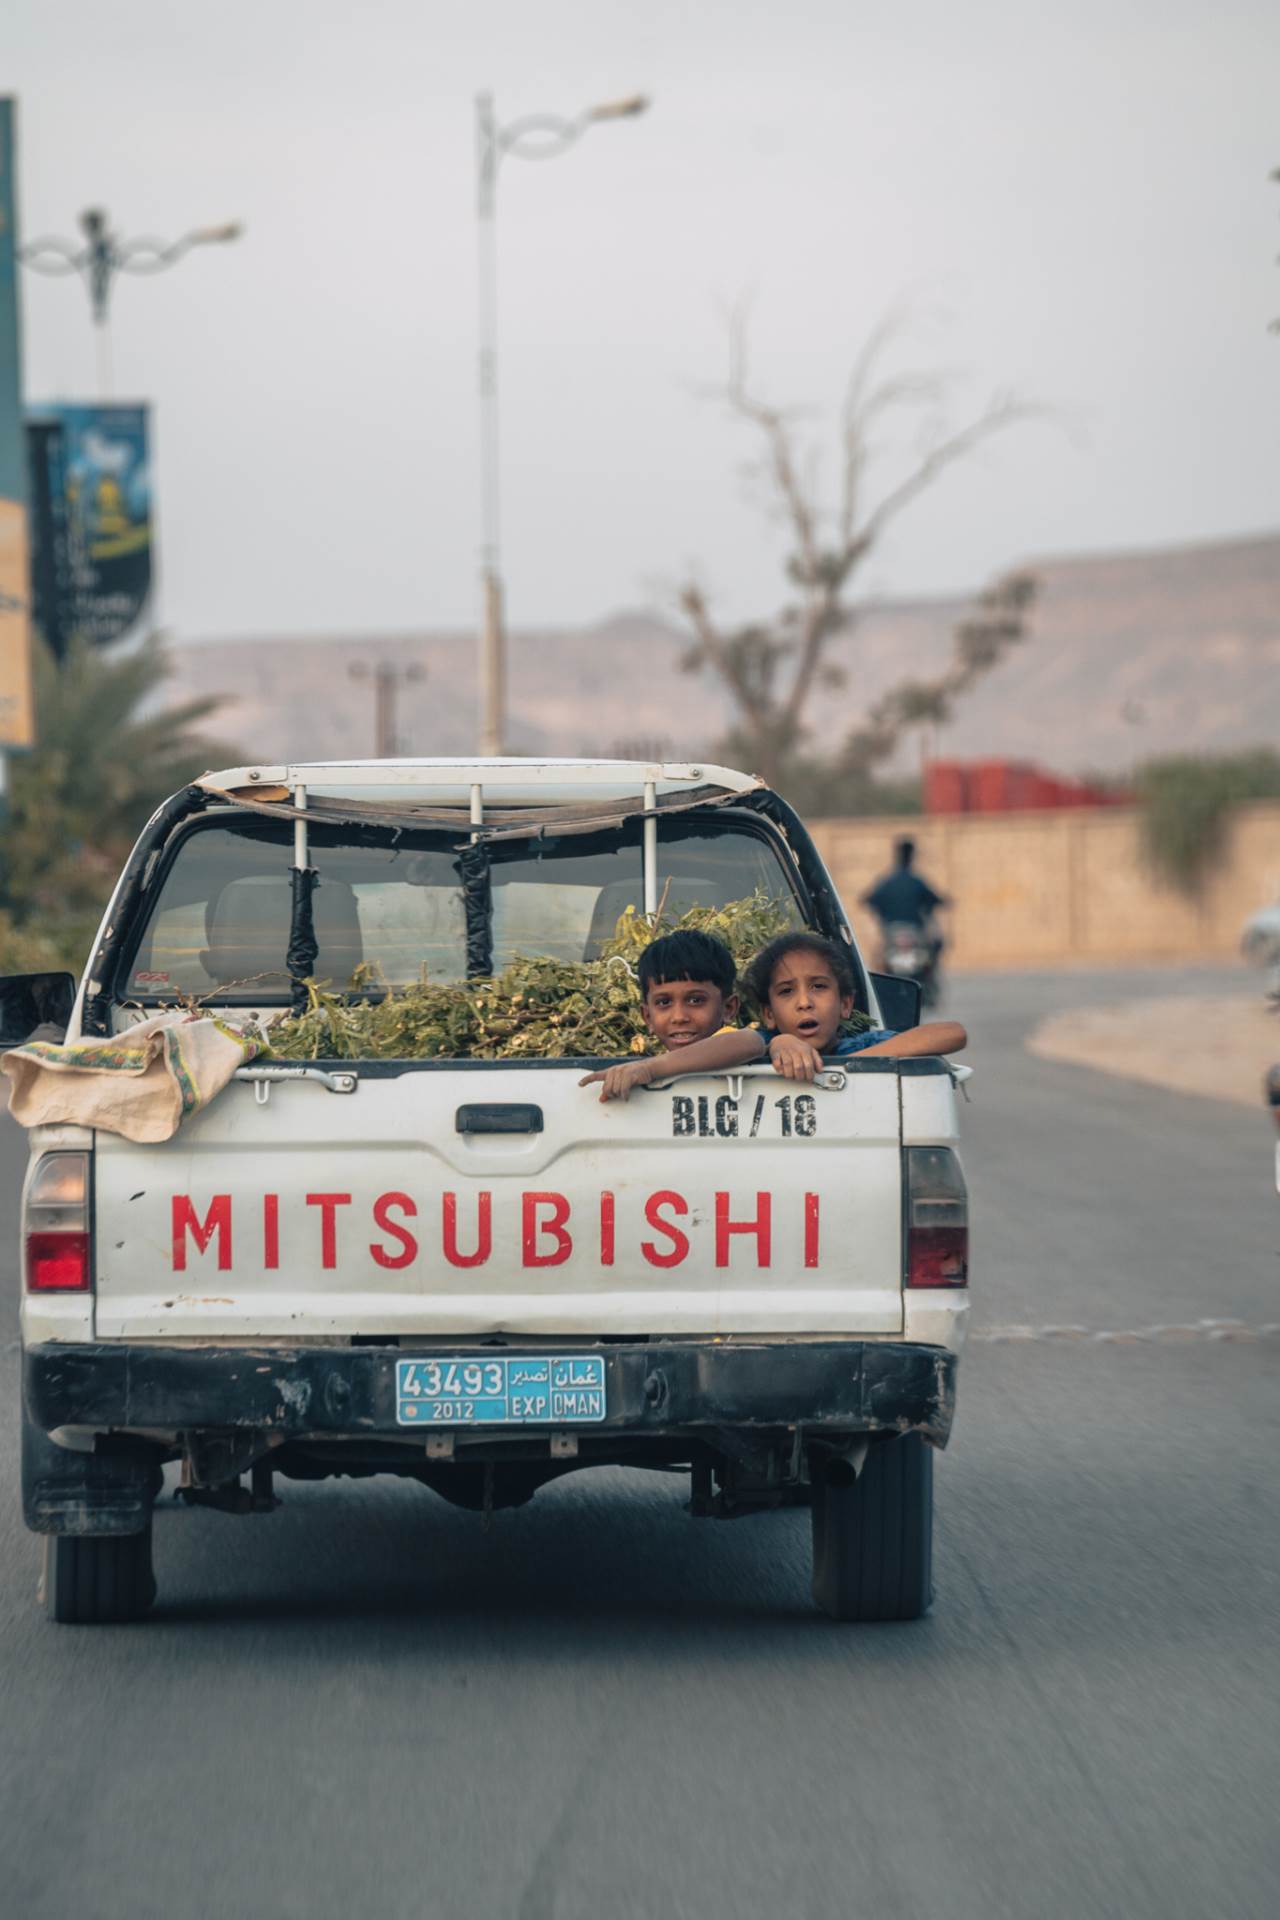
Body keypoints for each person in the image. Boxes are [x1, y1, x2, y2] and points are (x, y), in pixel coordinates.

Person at [580, 928, 965, 1102]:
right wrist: (647, 1069)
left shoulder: (860, 1044)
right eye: (786, 992)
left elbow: (951, 1033)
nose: (804, 1003)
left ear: (846, 1004)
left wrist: (849, 1067)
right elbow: (742, 1044)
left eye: (819, 987)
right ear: (767, 1013)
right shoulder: (762, 1044)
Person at [862, 837, 947, 933]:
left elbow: (868, 899)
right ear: (911, 856)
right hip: (913, 928)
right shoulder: (916, 882)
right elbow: (934, 899)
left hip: (891, 929)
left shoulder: (887, 882)